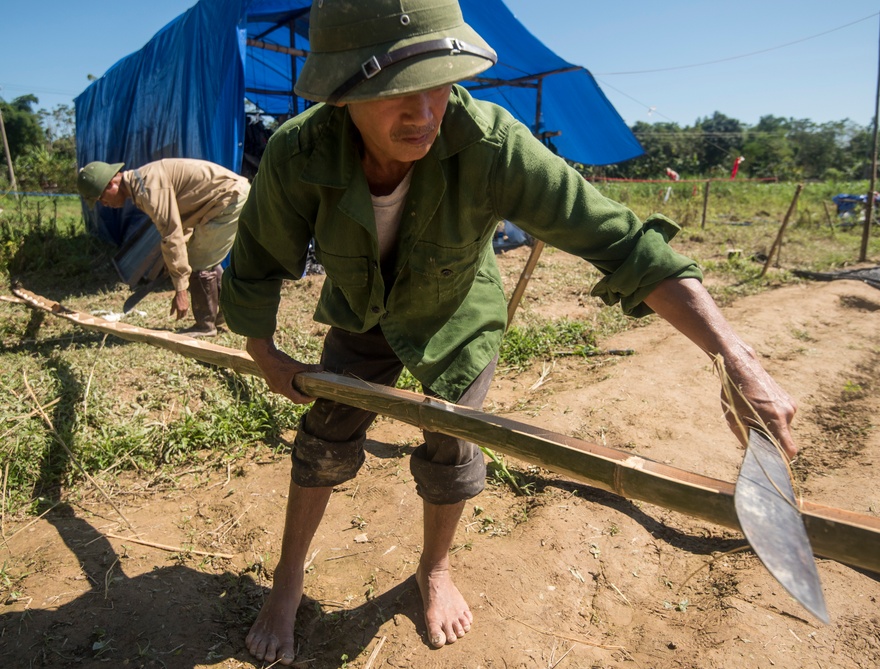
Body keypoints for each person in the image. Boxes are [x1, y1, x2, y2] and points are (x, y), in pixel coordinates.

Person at [220, 0, 797, 664]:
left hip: (457, 312)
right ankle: (288, 583)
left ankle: (433, 568)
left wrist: (735, 354)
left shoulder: (490, 143)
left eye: (438, 83)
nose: (425, 112)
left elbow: (623, 243)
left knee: (454, 446)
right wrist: (263, 352)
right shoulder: (298, 152)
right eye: (396, 92)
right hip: (362, 310)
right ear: (342, 94)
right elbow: (257, 261)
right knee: (323, 437)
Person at [77, 158, 250, 336]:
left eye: (101, 199)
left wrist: (181, 289)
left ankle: (205, 326)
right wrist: (174, 262)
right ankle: (225, 313)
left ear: (111, 184)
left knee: (199, 262)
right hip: (225, 200)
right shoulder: (142, 183)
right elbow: (183, 224)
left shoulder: (150, 188)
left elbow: (171, 234)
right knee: (202, 257)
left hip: (229, 199)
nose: (105, 204)